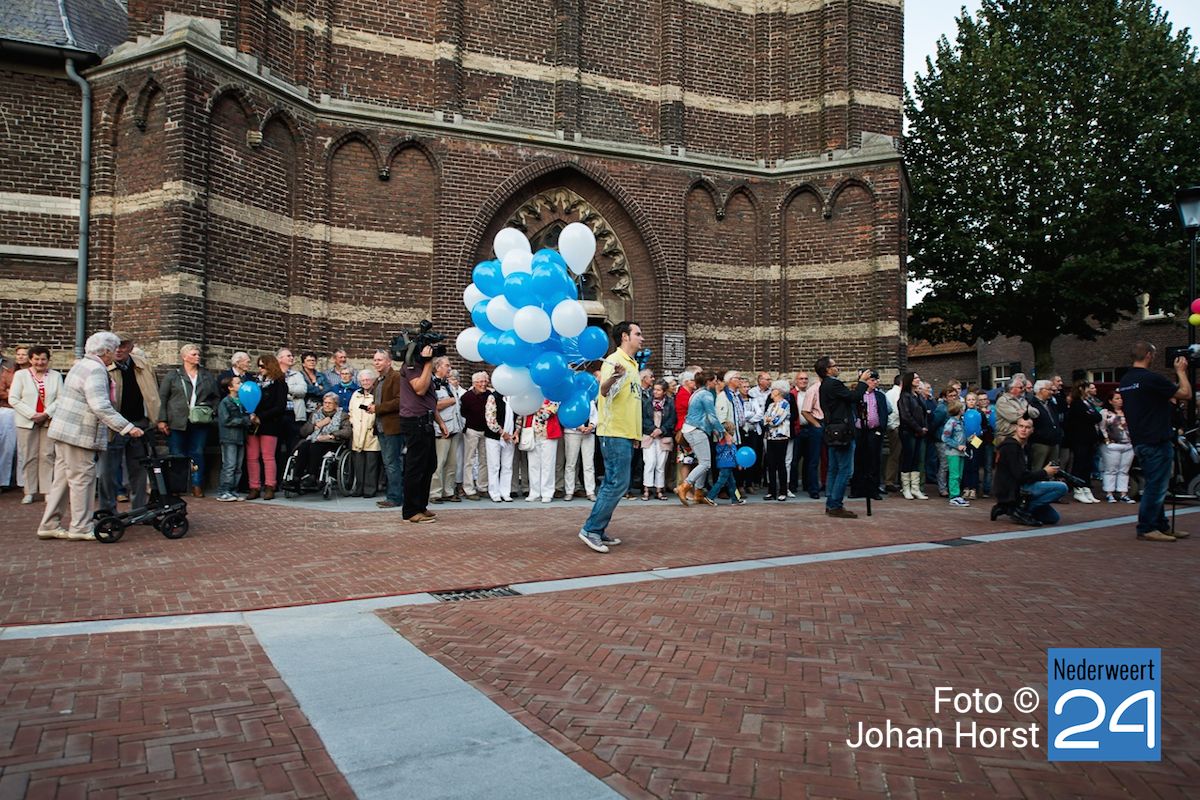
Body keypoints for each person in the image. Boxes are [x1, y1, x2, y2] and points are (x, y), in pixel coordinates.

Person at [38, 331, 144, 541]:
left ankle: (49, 524)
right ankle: (81, 527)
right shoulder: (96, 369)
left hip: (65, 431)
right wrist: (127, 427)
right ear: (105, 351)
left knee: (62, 480)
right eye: (113, 349)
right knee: (82, 480)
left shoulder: (81, 365)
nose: (115, 353)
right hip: (79, 433)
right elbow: (100, 406)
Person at [578, 321, 644, 553]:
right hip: (614, 431)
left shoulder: (632, 364)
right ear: (625, 336)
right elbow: (604, 391)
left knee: (613, 482)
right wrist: (616, 376)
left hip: (624, 432)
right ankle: (591, 529)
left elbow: (631, 403)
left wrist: (636, 434)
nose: (641, 338)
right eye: (637, 334)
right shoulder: (615, 361)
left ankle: (598, 528)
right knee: (617, 483)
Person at [1118, 341, 1192, 542]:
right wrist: (1181, 372)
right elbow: (1186, 393)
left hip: (1140, 439)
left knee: (1155, 483)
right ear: (1149, 355)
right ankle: (1147, 527)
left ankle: (1161, 525)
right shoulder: (1151, 378)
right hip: (1156, 439)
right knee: (1157, 486)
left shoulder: (1126, 380)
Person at [99, 333, 161, 514]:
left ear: (131, 347)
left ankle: (139, 510)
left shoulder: (142, 365)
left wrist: (155, 418)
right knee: (108, 471)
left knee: (139, 470)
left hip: (139, 423)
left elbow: (153, 391)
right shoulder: (103, 366)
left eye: (123, 345)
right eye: (116, 346)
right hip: (113, 425)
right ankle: (107, 511)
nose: (119, 349)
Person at [155, 343, 218, 497]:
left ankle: (197, 484)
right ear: (184, 357)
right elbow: (162, 398)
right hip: (177, 420)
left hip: (200, 420)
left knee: (197, 452)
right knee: (177, 453)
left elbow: (215, 396)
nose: (197, 357)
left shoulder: (206, 376)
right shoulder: (173, 375)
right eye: (193, 354)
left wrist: (211, 411)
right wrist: (162, 419)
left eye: (198, 354)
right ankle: (178, 485)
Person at [817, 356, 871, 518]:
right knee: (845, 470)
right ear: (828, 370)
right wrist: (862, 382)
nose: (837, 368)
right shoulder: (833, 384)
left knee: (834, 469)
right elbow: (853, 397)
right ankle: (835, 504)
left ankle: (831, 503)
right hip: (842, 431)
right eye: (834, 365)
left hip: (832, 430)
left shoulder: (824, 385)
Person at [990, 416, 1067, 526]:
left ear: (1032, 430)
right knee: (1062, 488)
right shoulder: (1010, 447)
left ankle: (1007, 508)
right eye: (1021, 426)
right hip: (1013, 489)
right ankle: (1020, 510)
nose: (1023, 430)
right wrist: (1045, 472)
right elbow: (1021, 476)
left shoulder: (1025, 446)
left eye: (1027, 427)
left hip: (1022, 486)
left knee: (1053, 518)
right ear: (1016, 427)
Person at [10, 346, 63, 503]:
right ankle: (29, 491)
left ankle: (47, 490)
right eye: (36, 359)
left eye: (43, 359)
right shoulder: (20, 375)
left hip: (48, 421)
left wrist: (46, 414)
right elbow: (13, 398)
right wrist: (32, 414)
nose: (40, 362)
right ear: (30, 360)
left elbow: (61, 398)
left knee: (48, 455)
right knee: (28, 456)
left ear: (48, 360)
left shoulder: (56, 376)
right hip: (26, 421)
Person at [396, 343, 438, 523]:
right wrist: (428, 363)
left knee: (429, 465)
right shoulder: (411, 367)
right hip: (415, 421)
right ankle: (410, 511)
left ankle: (421, 505)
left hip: (426, 421)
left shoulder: (422, 368)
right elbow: (420, 389)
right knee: (416, 467)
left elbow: (430, 400)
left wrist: (440, 422)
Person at [675, 371, 724, 507]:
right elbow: (712, 416)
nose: (716, 383)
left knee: (702, 462)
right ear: (708, 382)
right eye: (714, 380)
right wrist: (722, 431)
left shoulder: (696, 393)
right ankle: (684, 486)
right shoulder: (706, 395)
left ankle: (698, 493)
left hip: (690, 429)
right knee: (706, 463)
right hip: (697, 430)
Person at [246, 354, 288, 501]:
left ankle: (270, 486)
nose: (260, 369)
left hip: (270, 423)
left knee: (268, 456)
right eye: (258, 366)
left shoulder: (279, 383)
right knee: (252, 457)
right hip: (253, 423)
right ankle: (254, 487)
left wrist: (261, 417)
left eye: (263, 366)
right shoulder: (255, 382)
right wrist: (251, 415)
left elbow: (280, 406)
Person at [291, 392, 351, 488]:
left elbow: (347, 432)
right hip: (314, 440)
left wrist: (331, 435)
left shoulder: (342, 415)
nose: (327, 405)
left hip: (331, 442)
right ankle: (296, 477)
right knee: (304, 446)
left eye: (330, 403)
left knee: (315, 446)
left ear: (336, 405)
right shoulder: (315, 414)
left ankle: (312, 476)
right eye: (325, 402)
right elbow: (303, 432)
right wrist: (317, 425)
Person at [370, 349, 405, 509]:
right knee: (389, 463)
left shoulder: (396, 377)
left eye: (380, 360)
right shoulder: (378, 381)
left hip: (393, 428)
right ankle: (394, 495)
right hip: (381, 427)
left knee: (392, 463)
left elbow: (400, 401)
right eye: (375, 360)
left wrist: (377, 408)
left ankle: (395, 497)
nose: (376, 363)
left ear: (389, 362)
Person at [849, 370, 888, 501]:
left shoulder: (880, 396)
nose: (875, 382)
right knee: (859, 459)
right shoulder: (858, 395)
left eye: (876, 380)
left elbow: (884, 412)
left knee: (874, 460)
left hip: (874, 431)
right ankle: (857, 489)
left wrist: (881, 429)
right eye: (872, 380)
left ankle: (873, 489)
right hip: (860, 431)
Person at [1063, 379, 1103, 503]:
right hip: (1080, 439)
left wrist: (1092, 416)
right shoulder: (1076, 404)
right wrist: (1092, 416)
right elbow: (1088, 417)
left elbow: (1097, 416)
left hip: (1090, 438)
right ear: (1081, 389)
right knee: (1079, 463)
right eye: (1087, 387)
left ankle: (1086, 487)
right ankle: (1078, 488)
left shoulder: (1087, 402)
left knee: (1087, 464)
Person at [430, 356, 463, 503]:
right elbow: (432, 405)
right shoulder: (431, 384)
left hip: (454, 427)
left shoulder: (448, 384)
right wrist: (450, 401)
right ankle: (435, 493)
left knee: (452, 463)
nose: (449, 368)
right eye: (447, 365)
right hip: (441, 429)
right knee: (439, 462)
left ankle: (448, 491)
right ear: (437, 367)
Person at [640, 379, 675, 500]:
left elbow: (672, 419)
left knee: (660, 464)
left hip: (664, 437)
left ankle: (659, 489)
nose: (655, 392)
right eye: (654, 389)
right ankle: (647, 488)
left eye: (658, 390)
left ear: (664, 392)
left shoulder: (670, 403)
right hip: (649, 436)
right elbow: (643, 418)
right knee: (649, 462)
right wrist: (653, 429)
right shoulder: (647, 402)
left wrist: (662, 430)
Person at [215, 374, 249, 501]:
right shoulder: (225, 402)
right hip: (229, 437)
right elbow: (226, 420)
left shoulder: (242, 401)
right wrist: (245, 420)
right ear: (230, 387)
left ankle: (233, 490)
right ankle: (224, 491)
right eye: (238, 383)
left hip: (240, 437)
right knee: (229, 465)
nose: (241, 385)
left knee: (238, 467)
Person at [348, 368, 381, 498]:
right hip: (357, 432)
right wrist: (353, 423)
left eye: (368, 380)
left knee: (371, 463)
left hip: (371, 432)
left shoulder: (377, 393)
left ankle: (370, 489)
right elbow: (351, 411)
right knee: (359, 463)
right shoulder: (356, 394)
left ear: (373, 381)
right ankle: (359, 488)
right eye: (363, 380)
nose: (365, 382)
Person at [458, 371, 491, 500]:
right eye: (480, 382)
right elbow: (462, 413)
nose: (483, 384)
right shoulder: (466, 397)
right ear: (474, 383)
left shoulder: (489, 395)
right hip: (472, 430)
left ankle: (482, 487)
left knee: (484, 460)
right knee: (469, 460)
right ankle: (469, 489)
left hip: (486, 431)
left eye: (485, 381)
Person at [897, 371, 929, 500]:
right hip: (908, 432)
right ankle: (906, 488)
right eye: (915, 378)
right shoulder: (904, 397)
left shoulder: (917, 396)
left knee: (916, 459)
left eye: (918, 377)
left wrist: (924, 427)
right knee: (908, 458)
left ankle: (915, 488)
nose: (918, 379)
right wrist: (918, 428)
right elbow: (906, 416)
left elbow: (924, 413)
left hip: (919, 432)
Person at [523, 399, 562, 503]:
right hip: (533, 434)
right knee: (533, 465)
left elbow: (548, 413)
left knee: (548, 464)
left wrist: (537, 409)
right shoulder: (531, 396)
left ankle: (547, 492)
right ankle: (534, 492)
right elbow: (525, 409)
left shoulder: (553, 397)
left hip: (548, 433)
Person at [1100, 390, 1135, 504]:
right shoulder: (1105, 413)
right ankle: (1109, 492)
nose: (1120, 401)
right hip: (1112, 444)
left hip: (1128, 444)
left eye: (1121, 398)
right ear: (1110, 401)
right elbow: (1102, 427)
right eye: (1117, 398)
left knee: (1124, 470)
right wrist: (1106, 440)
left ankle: (1123, 493)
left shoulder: (1128, 411)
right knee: (1111, 469)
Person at [562, 394, 597, 501]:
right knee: (571, 463)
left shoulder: (589, 399)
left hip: (589, 434)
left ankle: (590, 491)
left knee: (588, 464)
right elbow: (566, 414)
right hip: (572, 433)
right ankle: (569, 491)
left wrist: (591, 425)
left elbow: (595, 415)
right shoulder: (569, 397)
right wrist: (578, 426)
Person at [484, 387, 516, 502]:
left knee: (507, 466)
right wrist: (502, 433)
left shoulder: (515, 398)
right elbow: (490, 419)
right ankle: (494, 492)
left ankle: (505, 492)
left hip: (510, 437)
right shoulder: (493, 397)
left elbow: (518, 416)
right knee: (494, 466)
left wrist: (516, 431)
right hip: (495, 437)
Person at [762, 381, 791, 501]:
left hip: (781, 437)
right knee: (771, 464)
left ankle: (783, 491)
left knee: (780, 464)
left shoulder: (785, 404)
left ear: (778, 391)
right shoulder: (770, 405)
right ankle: (771, 491)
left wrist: (769, 419)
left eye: (773, 389)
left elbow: (776, 421)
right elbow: (764, 420)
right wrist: (769, 419)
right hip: (770, 437)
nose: (771, 391)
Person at [1026, 380, 1062, 473]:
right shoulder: (1032, 404)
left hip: (1054, 441)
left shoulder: (1051, 404)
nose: (1051, 392)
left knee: (1053, 470)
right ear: (1040, 390)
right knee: (1038, 468)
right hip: (1040, 443)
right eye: (1048, 389)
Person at [994, 374, 1034, 447]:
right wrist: (1026, 413)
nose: (1023, 389)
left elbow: (1036, 413)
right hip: (1007, 438)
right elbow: (1014, 417)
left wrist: (1023, 411)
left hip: (1021, 438)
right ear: (1011, 389)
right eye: (1020, 387)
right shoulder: (1003, 401)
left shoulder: (1022, 400)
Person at [941, 400, 969, 507]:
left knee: (959, 474)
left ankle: (956, 494)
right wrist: (958, 446)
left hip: (961, 452)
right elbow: (945, 437)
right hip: (953, 452)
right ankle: (954, 496)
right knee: (954, 474)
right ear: (959, 410)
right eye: (962, 408)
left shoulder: (961, 422)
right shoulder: (951, 422)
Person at [883, 374, 903, 492]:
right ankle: (889, 481)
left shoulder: (890, 393)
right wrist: (893, 426)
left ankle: (893, 480)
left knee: (896, 454)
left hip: (894, 426)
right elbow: (895, 411)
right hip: (895, 427)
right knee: (895, 454)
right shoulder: (896, 394)